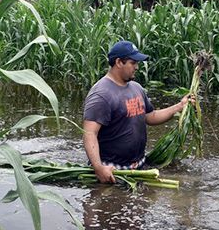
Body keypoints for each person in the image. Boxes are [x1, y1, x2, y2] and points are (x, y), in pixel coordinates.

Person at [82, 40, 191, 183]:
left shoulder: (136, 88)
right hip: (114, 172)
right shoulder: (101, 95)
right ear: (119, 62)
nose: (137, 67)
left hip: (138, 166)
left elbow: (150, 117)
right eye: (133, 63)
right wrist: (98, 168)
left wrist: (179, 106)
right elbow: (90, 133)